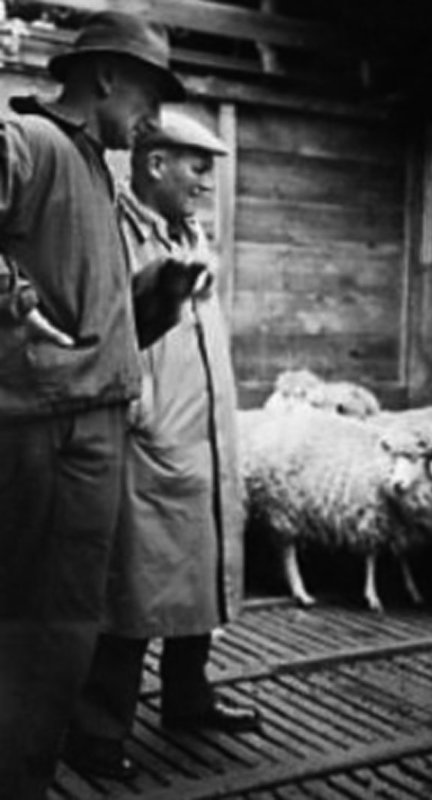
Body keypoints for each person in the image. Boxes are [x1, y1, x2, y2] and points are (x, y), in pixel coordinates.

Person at [0, 12, 185, 800]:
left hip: (91, 421)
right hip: (43, 425)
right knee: (32, 633)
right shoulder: (33, 141)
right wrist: (9, 292)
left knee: (64, 635)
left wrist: (154, 299)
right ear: (106, 75)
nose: (154, 117)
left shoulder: (95, 169)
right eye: (150, 93)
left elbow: (81, 311)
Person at [64, 109, 261, 780]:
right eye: (197, 167)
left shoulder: (188, 230)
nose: (206, 181)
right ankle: (96, 731)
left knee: (199, 571)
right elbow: (107, 323)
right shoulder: (115, 231)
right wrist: (141, 411)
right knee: (133, 585)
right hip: (150, 438)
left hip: (202, 436)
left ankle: (188, 698)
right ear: (155, 164)